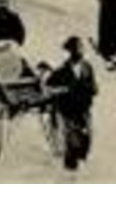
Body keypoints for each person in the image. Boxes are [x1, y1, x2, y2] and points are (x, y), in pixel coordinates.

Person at [46, 37, 98, 173]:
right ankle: (70, 166)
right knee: (72, 139)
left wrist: (91, 90)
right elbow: (49, 86)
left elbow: (94, 86)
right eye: (78, 48)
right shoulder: (61, 71)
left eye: (81, 48)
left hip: (84, 108)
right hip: (68, 109)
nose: (81, 51)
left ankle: (79, 159)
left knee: (86, 137)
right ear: (71, 52)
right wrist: (62, 90)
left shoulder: (87, 67)